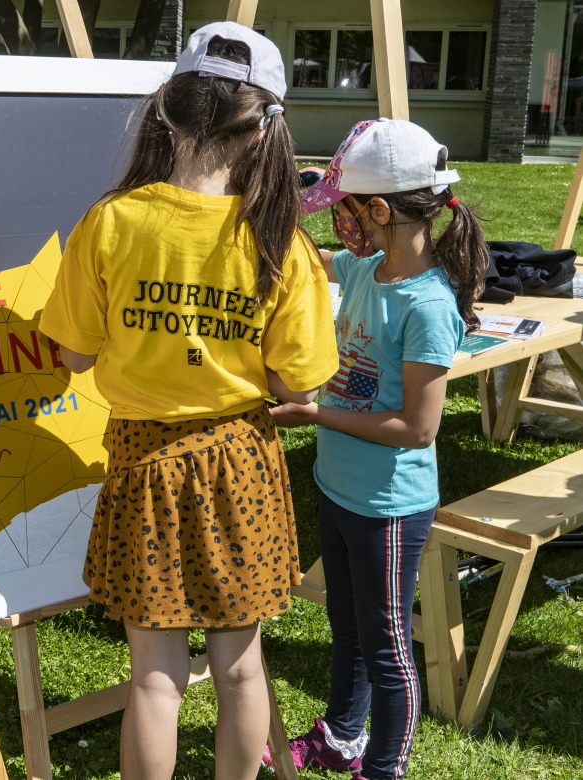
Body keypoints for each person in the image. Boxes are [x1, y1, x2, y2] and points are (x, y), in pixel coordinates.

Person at [38, 22, 338, 780]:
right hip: (241, 462)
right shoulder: (281, 242)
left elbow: (72, 354)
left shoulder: (111, 221)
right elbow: (299, 383)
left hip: (143, 463)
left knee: (154, 675)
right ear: (266, 125)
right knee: (241, 668)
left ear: (166, 112)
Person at [268, 119, 489, 780]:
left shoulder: (426, 304)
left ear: (381, 210)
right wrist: (279, 203)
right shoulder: (368, 267)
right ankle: (341, 737)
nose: (338, 223)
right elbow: (305, 256)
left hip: (388, 507)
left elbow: (418, 427)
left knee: (387, 644)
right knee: (348, 628)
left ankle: (383, 768)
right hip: (340, 489)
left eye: (344, 209)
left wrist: (313, 413)